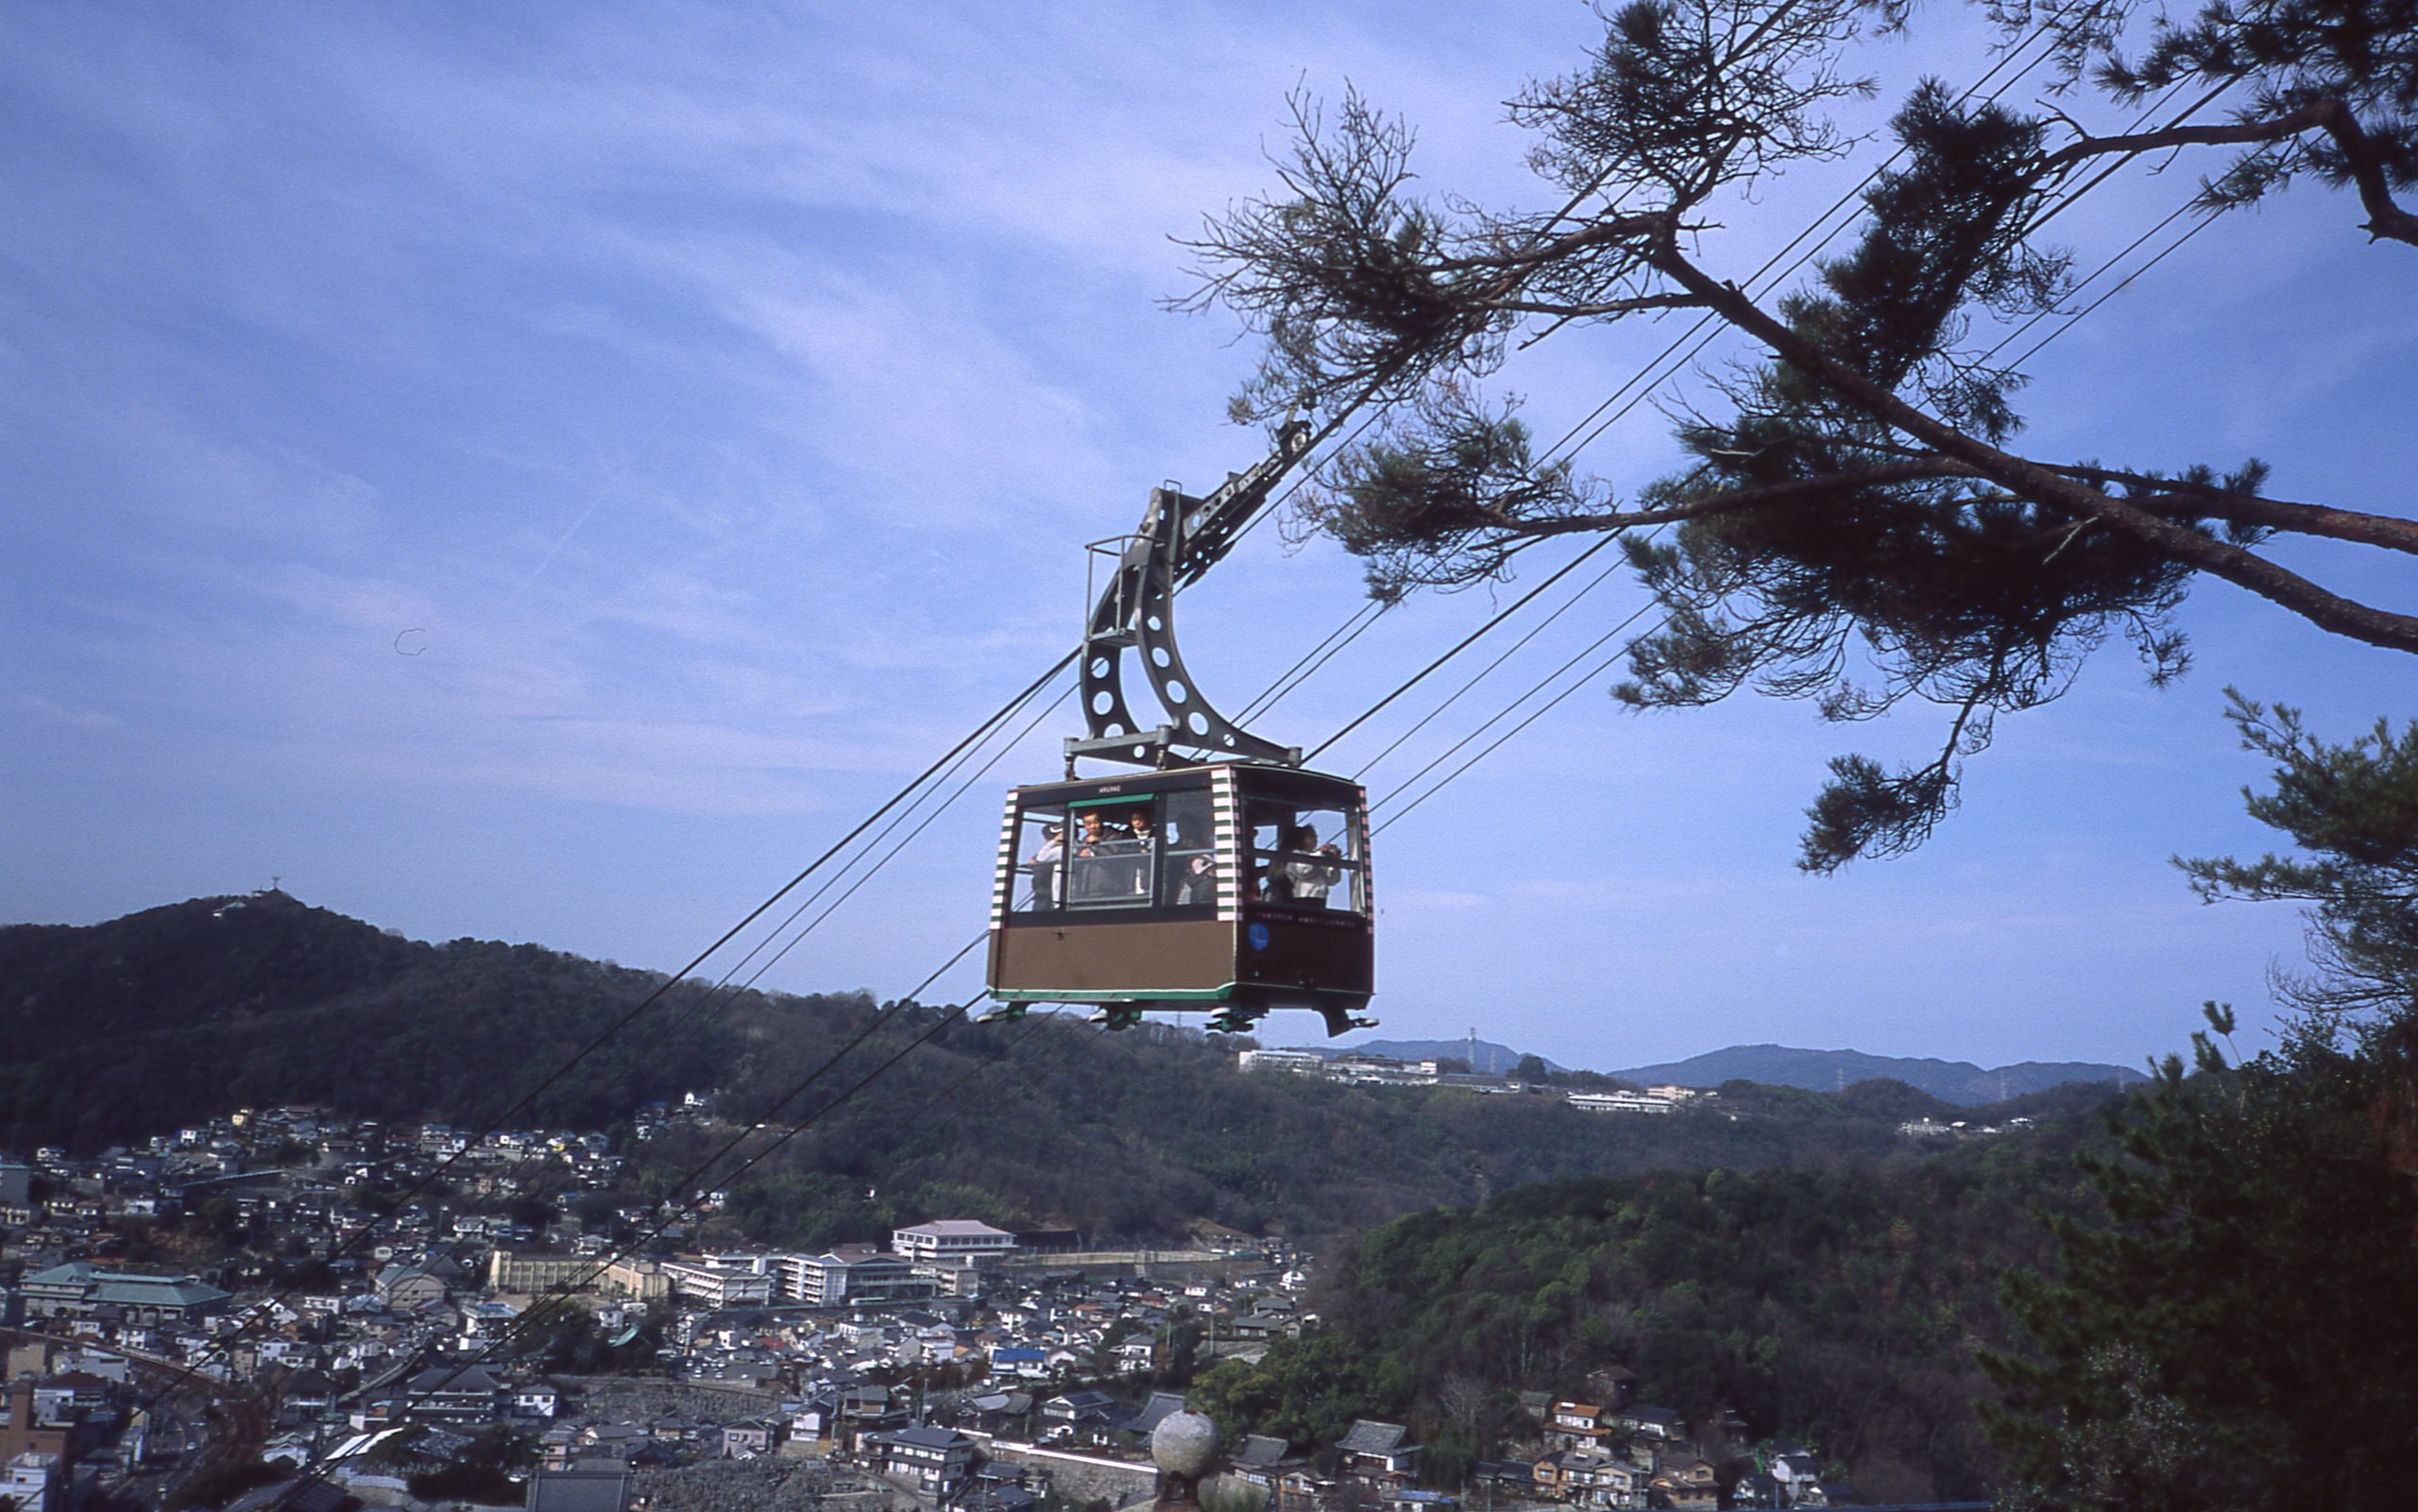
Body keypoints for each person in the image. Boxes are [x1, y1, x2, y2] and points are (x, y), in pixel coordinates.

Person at [1280, 823, 1345, 907]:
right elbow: (1303, 872)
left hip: (1321, 898)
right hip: (1303, 898)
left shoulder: (1318, 856)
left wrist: (1335, 862)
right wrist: (1320, 853)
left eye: (1315, 836)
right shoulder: (1296, 854)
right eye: (1310, 836)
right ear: (1302, 838)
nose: (1314, 839)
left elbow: (1332, 880)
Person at [1027, 823, 1064, 909]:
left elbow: (1042, 857)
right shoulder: (1048, 852)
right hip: (1040, 895)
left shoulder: (1060, 850)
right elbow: (1040, 857)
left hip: (1052, 896)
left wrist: (1053, 842)